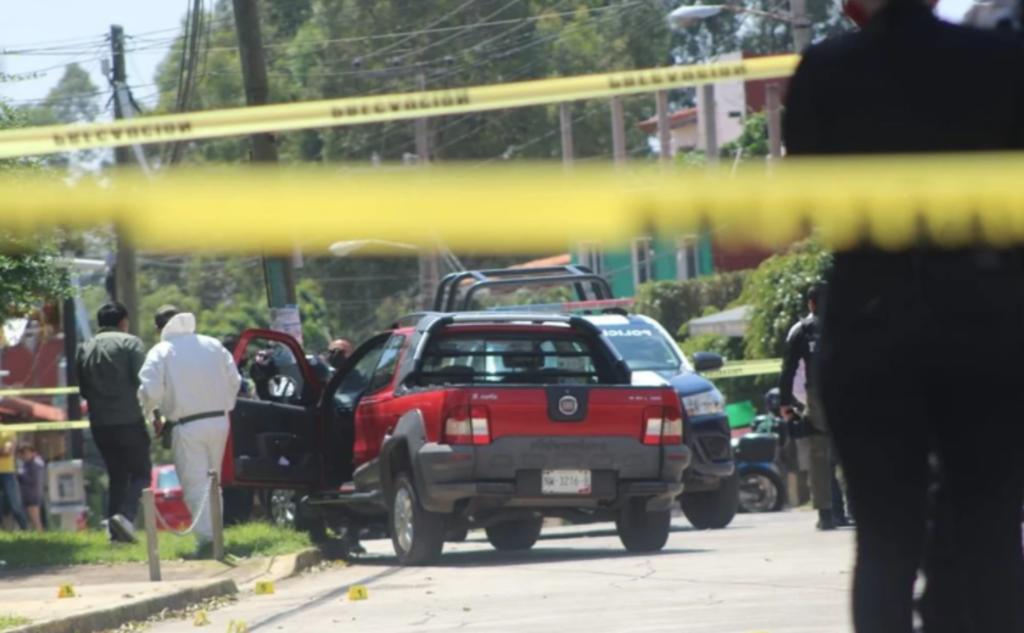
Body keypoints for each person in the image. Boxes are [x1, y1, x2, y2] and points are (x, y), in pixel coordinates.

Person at [784, 0, 1024, 630]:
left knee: (884, 544)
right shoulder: (999, 61)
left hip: (869, 325)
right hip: (983, 323)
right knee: (991, 538)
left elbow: (797, 206)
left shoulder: (826, 68)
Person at [138, 306, 241, 556]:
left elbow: (149, 391)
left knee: (196, 485)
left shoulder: (161, 350)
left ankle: (208, 542)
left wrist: (151, 414)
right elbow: (235, 381)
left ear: (159, 328)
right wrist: (224, 406)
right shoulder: (213, 344)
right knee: (213, 484)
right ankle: (216, 538)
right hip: (220, 421)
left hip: (187, 425)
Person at [76, 302, 150, 543]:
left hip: (100, 424)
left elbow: (83, 390)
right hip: (129, 420)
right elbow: (143, 383)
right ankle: (126, 518)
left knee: (117, 476)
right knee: (142, 473)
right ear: (123, 322)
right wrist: (156, 414)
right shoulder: (130, 343)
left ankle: (114, 533)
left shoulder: (84, 348)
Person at [778, 283, 849, 530]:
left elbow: (787, 369)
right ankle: (858, 509)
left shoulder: (802, 330)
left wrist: (785, 404)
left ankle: (826, 514)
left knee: (819, 455)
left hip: (818, 395)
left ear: (811, 304)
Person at [0, 426, 27, 530]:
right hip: (7, 473)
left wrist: (4, 450)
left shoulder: (8, 430)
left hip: (7, 473)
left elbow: (8, 451)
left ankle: (25, 530)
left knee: (15, 504)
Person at [17, 444, 45, 531]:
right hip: (27, 495)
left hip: (32, 496)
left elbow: (33, 479)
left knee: (35, 520)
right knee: (32, 521)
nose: (24, 456)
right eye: (22, 453)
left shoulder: (35, 464)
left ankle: (41, 535)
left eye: (26, 453)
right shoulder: (26, 464)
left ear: (33, 453)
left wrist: (20, 474)